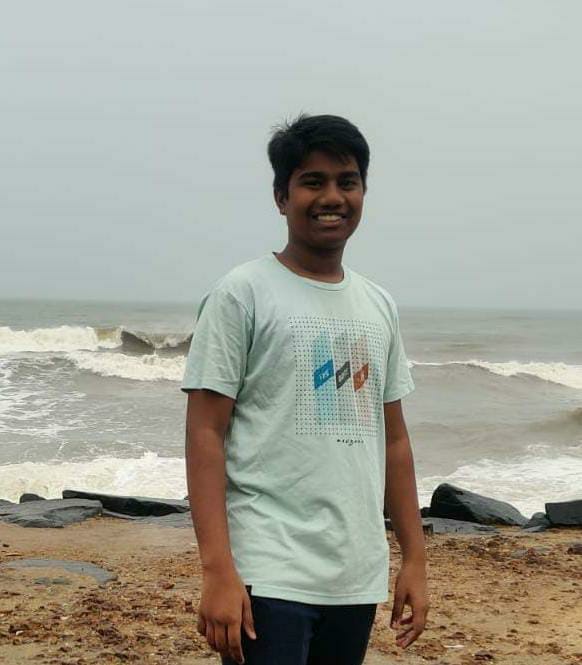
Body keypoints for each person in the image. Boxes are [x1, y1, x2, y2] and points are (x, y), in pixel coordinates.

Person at [182, 113, 429, 665]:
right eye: (312, 182)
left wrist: (413, 558)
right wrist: (218, 570)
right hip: (267, 568)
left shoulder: (379, 304)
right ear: (281, 196)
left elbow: (394, 441)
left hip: (355, 574)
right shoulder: (242, 293)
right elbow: (205, 433)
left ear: (363, 192)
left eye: (347, 181)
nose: (332, 197)